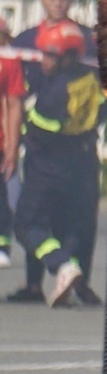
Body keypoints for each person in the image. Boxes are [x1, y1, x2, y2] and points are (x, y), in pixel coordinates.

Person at [9, 0, 101, 305]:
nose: (58, 1)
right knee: (41, 214)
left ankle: (73, 277)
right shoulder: (25, 39)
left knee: (73, 217)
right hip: (43, 150)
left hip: (69, 144)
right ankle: (36, 284)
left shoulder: (88, 40)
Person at [0, 15, 24, 269]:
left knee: (1, 198)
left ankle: (2, 245)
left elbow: (13, 103)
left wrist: (11, 147)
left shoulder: (9, 62)